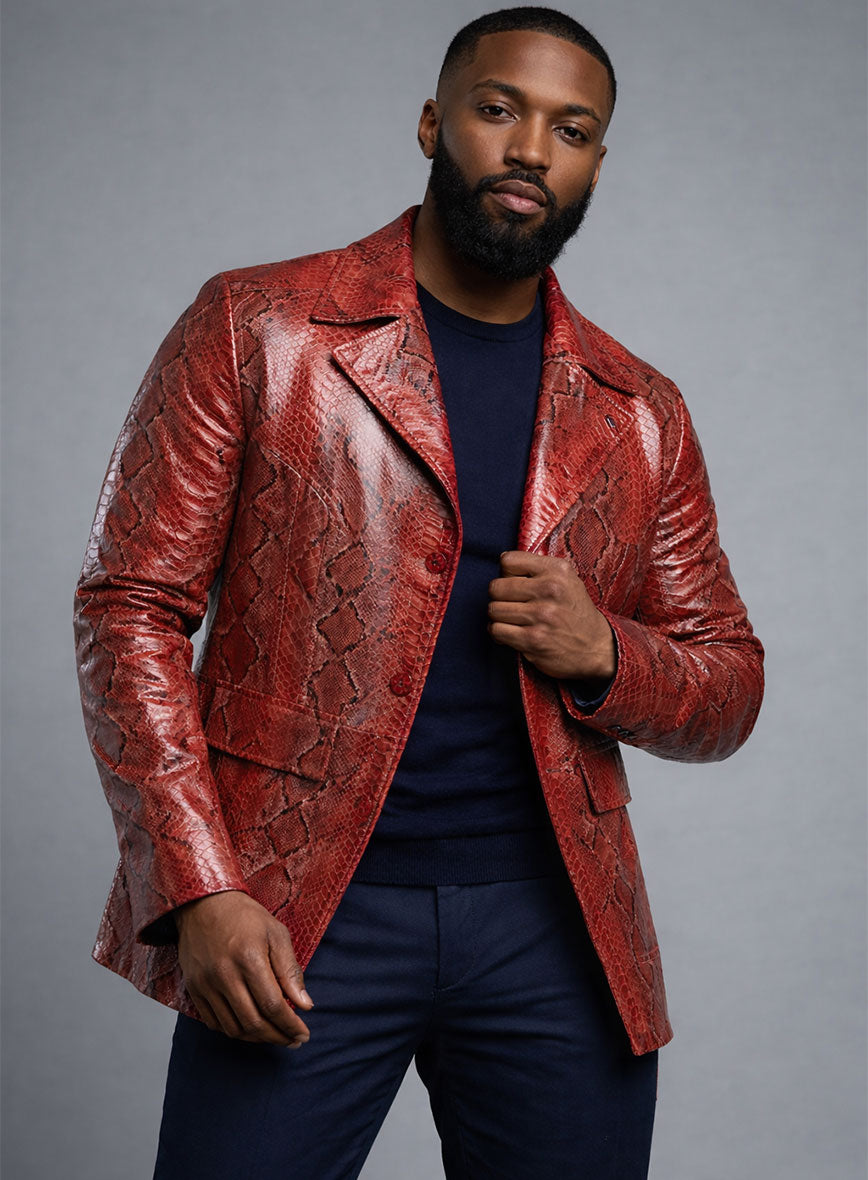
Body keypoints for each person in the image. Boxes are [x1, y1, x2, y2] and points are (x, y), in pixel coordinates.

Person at [73, 7, 764, 1178]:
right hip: (298, 908)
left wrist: (607, 654)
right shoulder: (259, 325)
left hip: (557, 929)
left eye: (571, 130)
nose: (530, 149)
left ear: (597, 164)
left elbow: (729, 683)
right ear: (433, 123)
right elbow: (128, 605)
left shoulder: (639, 409)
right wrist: (199, 884)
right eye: (499, 110)